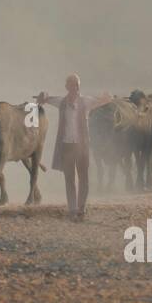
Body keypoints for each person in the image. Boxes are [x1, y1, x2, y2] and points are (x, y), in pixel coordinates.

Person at [36, 75, 112, 220]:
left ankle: (81, 209)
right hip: (67, 146)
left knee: (83, 178)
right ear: (67, 87)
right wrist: (43, 96)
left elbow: (101, 101)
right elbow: (47, 99)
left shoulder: (86, 101)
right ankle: (72, 209)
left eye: (76, 85)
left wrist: (107, 97)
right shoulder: (62, 102)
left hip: (81, 146)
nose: (74, 88)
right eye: (71, 85)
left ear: (79, 86)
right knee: (69, 178)